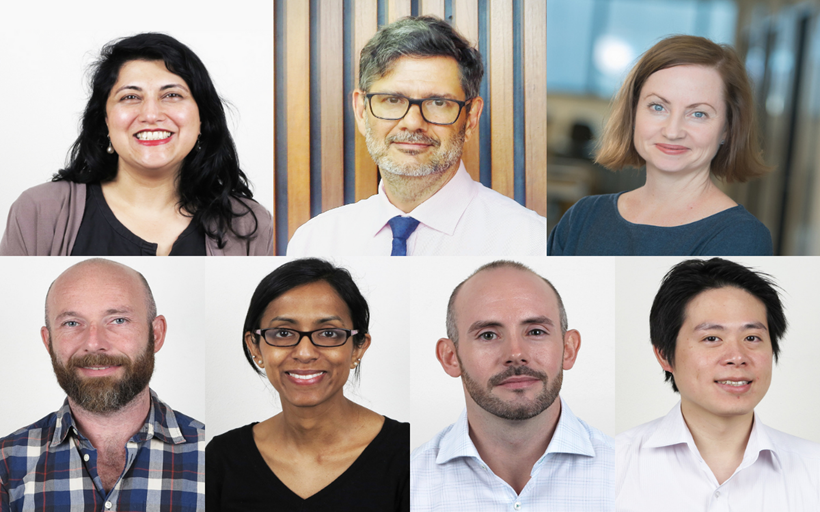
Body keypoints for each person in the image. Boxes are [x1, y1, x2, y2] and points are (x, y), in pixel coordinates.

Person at [286, 16, 546, 257]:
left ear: (471, 118)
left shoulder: (529, 243)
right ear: (361, 112)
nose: (413, 123)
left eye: (438, 103)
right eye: (392, 100)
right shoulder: (315, 242)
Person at [0, 33, 272, 256]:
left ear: (202, 118)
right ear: (105, 119)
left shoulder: (250, 224)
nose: (151, 115)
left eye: (172, 95)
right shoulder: (38, 211)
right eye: (130, 97)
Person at [0, 259, 204, 511]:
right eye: (72, 323)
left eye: (118, 320)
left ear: (156, 334)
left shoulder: (212, 455)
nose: (94, 343)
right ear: (48, 342)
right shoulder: (6, 463)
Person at [206, 258, 409, 511]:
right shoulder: (222, 459)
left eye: (328, 333)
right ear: (255, 347)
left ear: (358, 348)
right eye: (283, 333)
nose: (304, 353)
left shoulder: (408, 454)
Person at [617, 258, 820, 510]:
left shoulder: (813, 468)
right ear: (665, 355)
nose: (737, 357)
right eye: (712, 338)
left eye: (752, 337)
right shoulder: (615, 464)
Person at [411, 261, 614, 510]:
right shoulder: (407, 485)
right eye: (488, 335)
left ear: (569, 349)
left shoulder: (627, 474)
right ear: (450, 357)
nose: (516, 353)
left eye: (536, 332)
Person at [548, 35, 772, 256]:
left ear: (727, 128)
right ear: (633, 113)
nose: (672, 131)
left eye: (698, 113)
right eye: (657, 107)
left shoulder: (741, 237)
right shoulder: (582, 218)